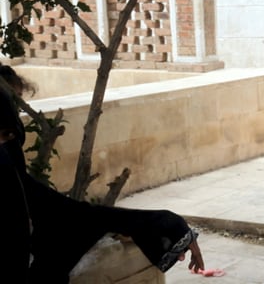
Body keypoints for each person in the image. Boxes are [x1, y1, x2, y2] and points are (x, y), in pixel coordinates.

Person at [0, 64, 206, 283]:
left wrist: (167, 224)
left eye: (8, 133)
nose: (8, 141)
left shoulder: (15, 177)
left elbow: (72, 214)